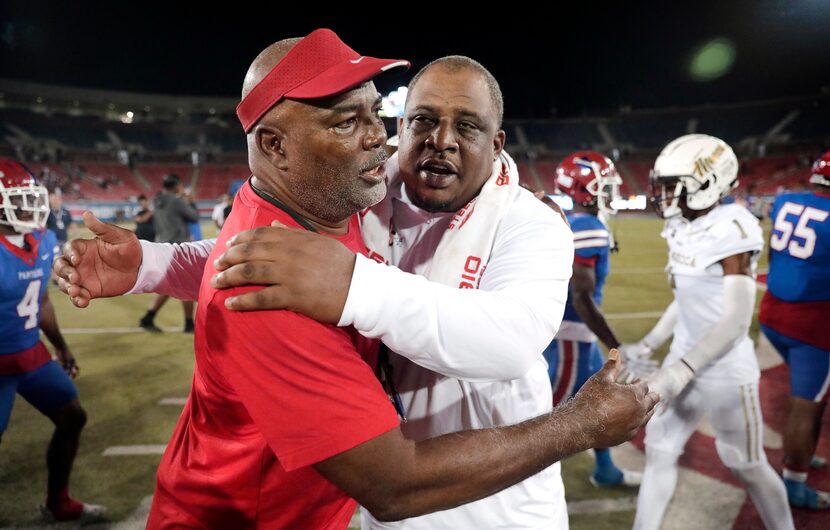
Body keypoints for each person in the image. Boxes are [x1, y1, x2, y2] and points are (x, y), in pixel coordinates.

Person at [54, 29, 658, 529]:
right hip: (389, 494)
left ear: (497, 143)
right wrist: (156, 265)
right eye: (419, 120)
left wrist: (353, 286)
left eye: (467, 127)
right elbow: (258, 255)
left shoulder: (527, 221)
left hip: (496, 503)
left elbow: (509, 341)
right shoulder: (365, 190)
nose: (435, 141)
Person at [623, 134, 794, 530]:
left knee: (746, 462)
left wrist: (680, 370)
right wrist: (649, 343)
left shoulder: (733, 227)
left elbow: (735, 321)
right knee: (660, 451)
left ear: (708, 182)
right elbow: (684, 299)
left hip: (723, 368)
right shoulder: (682, 226)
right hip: (682, 357)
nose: (664, 195)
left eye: (673, 185)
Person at [0, 159, 104, 522]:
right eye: (18, 200)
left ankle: (58, 502)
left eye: (30, 199)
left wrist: (61, 345)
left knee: (72, 417)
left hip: (30, 354)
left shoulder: (41, 238)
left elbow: (40, 298)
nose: (30, 208)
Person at [540, 151, 642, 487]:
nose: (611, 192)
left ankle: (606, 470)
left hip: (571, 334)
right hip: (571, 336)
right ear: (586, 189)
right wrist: (615, 342)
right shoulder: (590, 226)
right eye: (605, 186)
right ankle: (515, 480)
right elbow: (582, 297)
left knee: (600, 400)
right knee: (548, 421)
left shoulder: (572, 221)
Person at [758, 148, 830, 509]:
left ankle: (804, 455)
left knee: (810, 399)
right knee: (806, 404)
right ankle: (794, 483)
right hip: (813, 327)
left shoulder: (788, 202)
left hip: (772, 313)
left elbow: (774, 256)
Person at [138, 174, 199, 333]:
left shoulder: (156, 201)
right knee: (188, 285)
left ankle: (148, 317)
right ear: (177, 185)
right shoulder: (177, 201)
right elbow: (194, 217)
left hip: (162, 247)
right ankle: (188, 323)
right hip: (178, 247)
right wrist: (191, 202)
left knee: (172, 285)